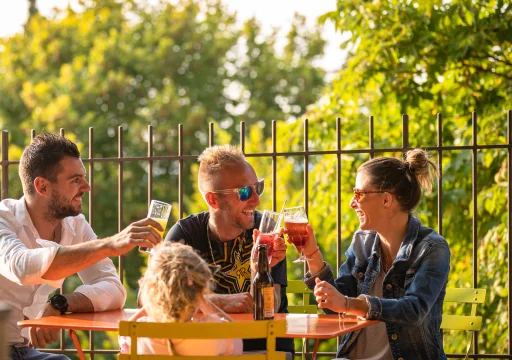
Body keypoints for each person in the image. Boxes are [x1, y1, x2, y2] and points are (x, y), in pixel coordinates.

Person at [0, 133, 164, 360]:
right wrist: (111, 244)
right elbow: (22, 267)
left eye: (83, 178)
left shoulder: (75, 226)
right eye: (75, 180)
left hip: (21, 352)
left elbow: (113, 289)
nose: (87, 187)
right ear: (42, 186)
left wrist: (60, 302)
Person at [303, 149, 450, 360]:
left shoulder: (432, 248)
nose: (352, 203)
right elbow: (336, 309)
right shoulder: (362, 242)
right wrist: (311, 254)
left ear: (386, 200)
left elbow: (413, 310)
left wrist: (349, 304)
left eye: (359, 193)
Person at [164, 144, 293, 355]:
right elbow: (148, 298)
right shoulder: (185, 235)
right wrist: (216, 301)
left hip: (265, 350)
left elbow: (274, 305)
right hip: (208, 351)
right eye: (244, 192)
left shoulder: (266, 231)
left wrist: (259, 270)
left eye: (257, 187)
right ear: (212, 199)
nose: (256, 199)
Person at [119, 242, 243, 356]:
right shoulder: (212, 331)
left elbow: (124, 335)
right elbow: (237, 337)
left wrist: (151, 304)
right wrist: (203, 300)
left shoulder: (141, 332)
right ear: (201, 291)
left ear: (153, 292)